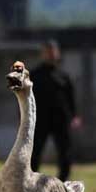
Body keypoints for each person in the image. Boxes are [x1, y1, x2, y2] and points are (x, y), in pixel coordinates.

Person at [30, 40, 81, 181]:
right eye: (48, 51)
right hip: (40, 120)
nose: (51, 54)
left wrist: (75, 116)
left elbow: (71, 98)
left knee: (65, 153)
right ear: (43, 54)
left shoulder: (64, 76)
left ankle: (62, 183)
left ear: (57, 53)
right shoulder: (34, 75)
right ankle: (31, 182)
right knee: (34, 153)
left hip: (61, 120)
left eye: (53, 51)